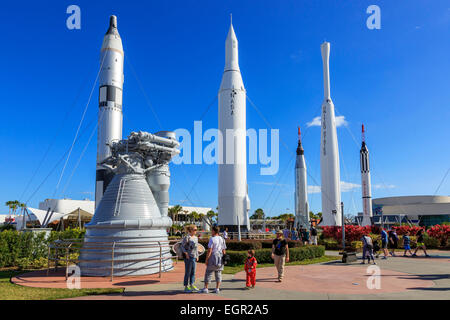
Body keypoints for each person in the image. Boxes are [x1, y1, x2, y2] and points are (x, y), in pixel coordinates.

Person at [201, 226, 227, 294]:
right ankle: (217, 288)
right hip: (220, 256)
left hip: (213, 256)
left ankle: (206, 288)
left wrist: (206, 259)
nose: (211, 232)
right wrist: (224, 258)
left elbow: (210, 250)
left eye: (211, 230)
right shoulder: (222, 239)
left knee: (208, 272)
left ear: (214, 231)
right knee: (218, 273)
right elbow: (224, 249)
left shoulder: (212, 239)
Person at [181, 224, 199, 293]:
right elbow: (182, 246)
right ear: (190, 230)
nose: (196, 231)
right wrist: (186, 253)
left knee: (193, 272)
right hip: (188, 257)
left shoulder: (196, 238)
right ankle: (186, 286)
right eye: (194, 230)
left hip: (194, 257)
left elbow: (196, 247)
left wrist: (197, 255)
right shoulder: (187, 237)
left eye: (196, 230)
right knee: (188, 272)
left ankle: (192, 284)